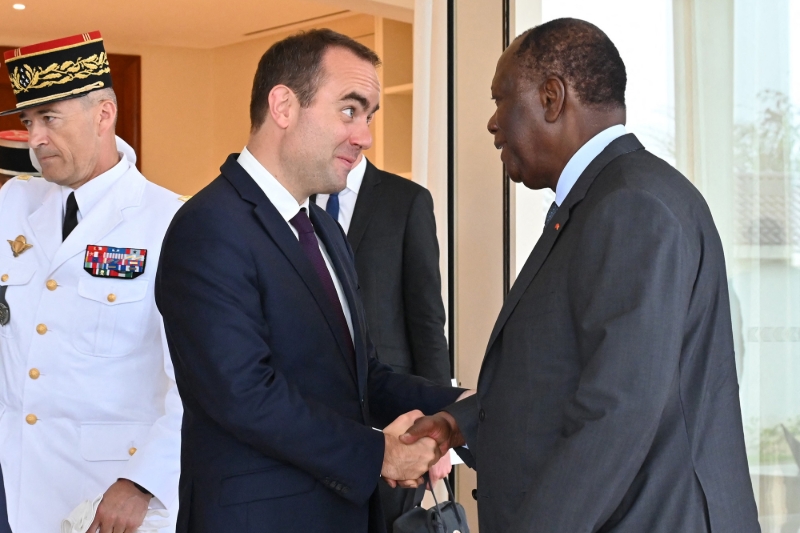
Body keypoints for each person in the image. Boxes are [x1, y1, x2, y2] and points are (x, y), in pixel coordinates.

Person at [402, 18, 761, 533]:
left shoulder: (632, 205)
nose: (492, 123)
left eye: (501, 100)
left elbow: (617, 412)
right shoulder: (604, 199)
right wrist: (461, 422)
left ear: (552, 98)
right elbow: (566, 372)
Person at [155, 29, 466, 533]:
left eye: (369, 116)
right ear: (283, 106)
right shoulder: (208, 226)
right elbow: (245, 394)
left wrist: (461, 405)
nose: (364, 136)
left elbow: (363, 376)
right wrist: (379, 454)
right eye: (349, 110)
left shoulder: (321, 228)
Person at [0, 32, 182, 532]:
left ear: (104, 114)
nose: (35, 137)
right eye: (28, 121)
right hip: (15, 485)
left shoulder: (170, 221)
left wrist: (146, 481)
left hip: (112, 495)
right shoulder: (14, 205)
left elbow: (196, 379)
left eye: (50, 118)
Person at [315, 154, 452, 530]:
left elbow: (427, 322)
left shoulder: (406, 200)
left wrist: (443, 429)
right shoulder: (301, 200)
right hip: (317, 428)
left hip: (394, 419)